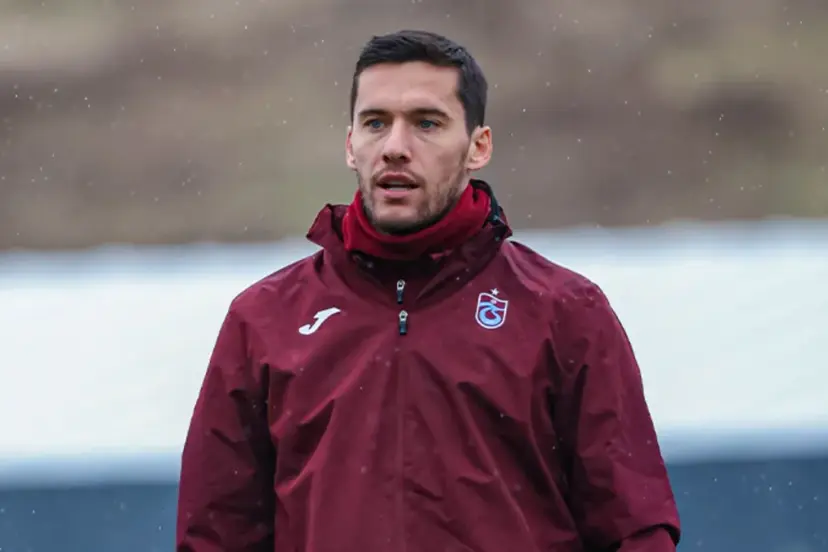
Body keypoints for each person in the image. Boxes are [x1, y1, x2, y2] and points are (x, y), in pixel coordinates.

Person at [176, 29, 681, 552]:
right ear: (350, 145)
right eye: (376, 123)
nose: (395, 147)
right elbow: (215, 536)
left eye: (426, 123)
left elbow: (634, 528)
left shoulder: (565, 312)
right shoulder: (265, 320)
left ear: (478, 147)